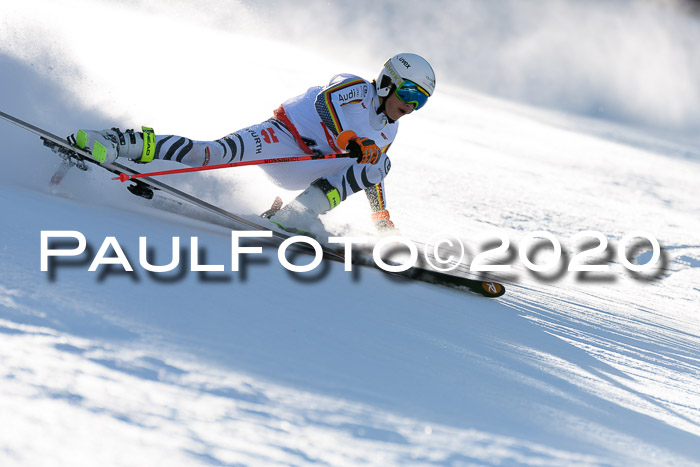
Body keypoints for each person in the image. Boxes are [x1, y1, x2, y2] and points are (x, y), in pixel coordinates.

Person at [74, 53, 436, 235]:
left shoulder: (390, 131)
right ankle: (116, 141)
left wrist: (382, 218)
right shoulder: (355, 87)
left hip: (311, 168)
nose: (410, 105)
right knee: (208, 154)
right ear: (388, 81)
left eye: (420, 101)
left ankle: (297, 216)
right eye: (408, 92)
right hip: (281, 138)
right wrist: (351, 139)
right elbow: (327, 104)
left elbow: (371, 172)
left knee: (379, 164)